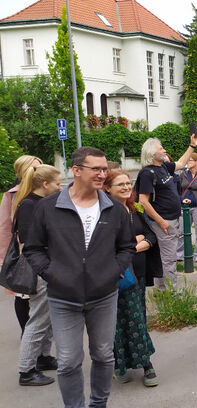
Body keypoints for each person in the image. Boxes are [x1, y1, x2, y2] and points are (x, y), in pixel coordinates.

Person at [24, 147, 136, 408]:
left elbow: (126, 247)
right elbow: (33, 248)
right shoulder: (49, 207)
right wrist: (53, 274)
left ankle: (98, 404)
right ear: (76, 171)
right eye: (95, 169)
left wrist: (113, 272)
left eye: (104, 169)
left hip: (104, 295)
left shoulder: (114, 209)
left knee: (103, 356)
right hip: (63, 298)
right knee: (68, 362)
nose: (102, 174)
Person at [103, 168, 160, 387]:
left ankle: (145, 364)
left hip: (138, 273)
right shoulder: (104, 213)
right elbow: (105, 246)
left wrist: (134, 246)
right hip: (116, 275)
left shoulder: (134, 209)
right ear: (108, 189)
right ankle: (122, 363)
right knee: (117, 323)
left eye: (129, 183)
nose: (127, 187)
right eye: (121, 184)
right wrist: (133, 244)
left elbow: (151, 236)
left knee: (137, 319)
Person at [13, 164, 61, 386]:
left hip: (46, 267)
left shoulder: (38, 203)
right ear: (45, 184)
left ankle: (42, 358)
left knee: (46, 317)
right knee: (39, 319)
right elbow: (26, 243)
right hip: (39, 270)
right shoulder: (29, 206)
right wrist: (44, 268)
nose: (60, 187)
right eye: (57, 183)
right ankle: (26, 370)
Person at [136, 133, 197, 291]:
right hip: (164, 222)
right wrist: (161, 221)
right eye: (161, 148)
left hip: (171, 220)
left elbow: (181, 163)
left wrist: (192, 146)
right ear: (152, 154)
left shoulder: (163, 167)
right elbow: (143, 201)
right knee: (169, 260)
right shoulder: (147, 173)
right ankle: (172, 295)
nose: (164, 150)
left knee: (165, 259)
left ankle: (162, 291)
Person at [1, 155, 42, 335]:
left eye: (40, 167)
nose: (38, 171)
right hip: (22, 254)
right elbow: (5, 228)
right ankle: (27, 335)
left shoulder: (47, 191)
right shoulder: (12, 195)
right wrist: (4, 260)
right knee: (23, 295)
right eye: (34, 168)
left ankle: (40, 340)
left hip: (45, 252)